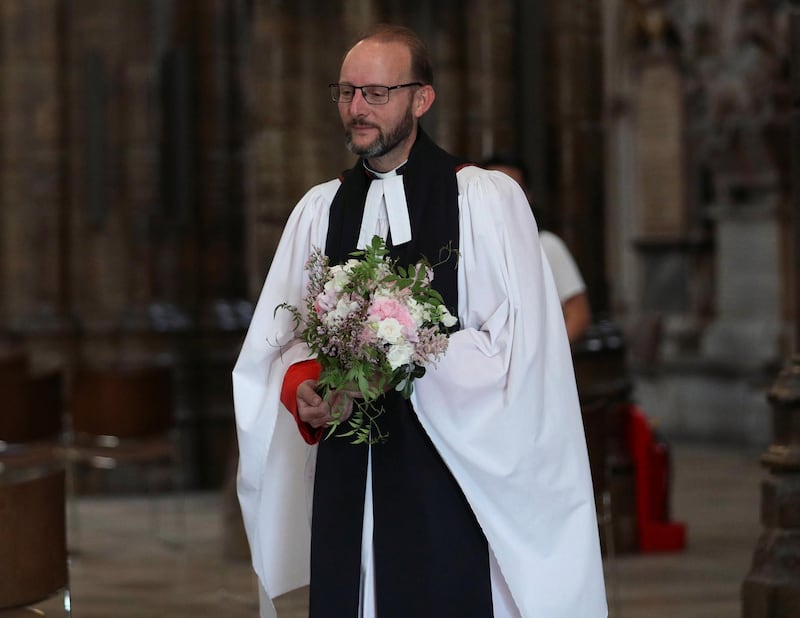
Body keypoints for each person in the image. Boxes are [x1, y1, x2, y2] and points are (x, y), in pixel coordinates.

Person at [233, 24, 606, 618]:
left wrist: (400, 358)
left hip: (449, 469)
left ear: (421, 99)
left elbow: (520, 350)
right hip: (347, 470)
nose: (357, 108)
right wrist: (308, 384)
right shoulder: (319, 210)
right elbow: (283, 338)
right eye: (347, 92)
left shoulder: (484, 202)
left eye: (376, 94)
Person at [482, 153, 592, 343]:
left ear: (527, 196)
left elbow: (578, 315)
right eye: (492, 190)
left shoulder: (546, 245)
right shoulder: (469, 246)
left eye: (511, 189)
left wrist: (545, 357)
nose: (500, 199)